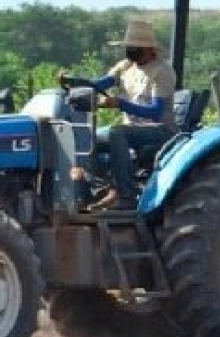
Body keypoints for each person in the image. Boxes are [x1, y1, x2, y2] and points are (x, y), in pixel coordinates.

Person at [62, 20, 177, 210]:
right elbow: (98, 85)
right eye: (129, 46)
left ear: (148, 48)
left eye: (135, 47)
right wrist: (72, 82)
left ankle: (125, 194)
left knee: (117, 132)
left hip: (160, 130)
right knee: (86, 138)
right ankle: (97, 190)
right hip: (131, 128)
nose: (131, 50)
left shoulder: (163, 71)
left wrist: (119, 103)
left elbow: (155, 113)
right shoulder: (125, 67)